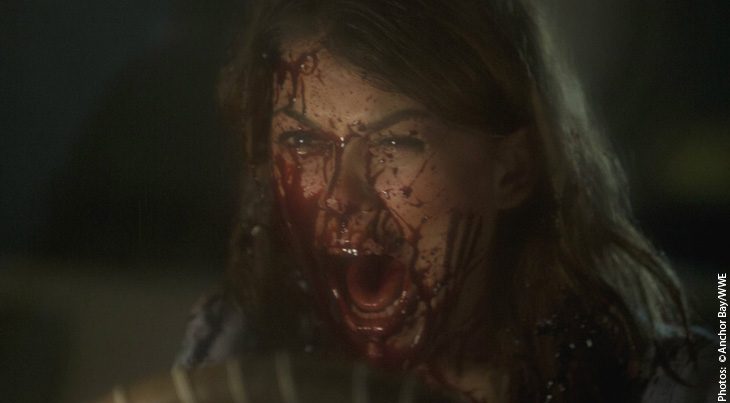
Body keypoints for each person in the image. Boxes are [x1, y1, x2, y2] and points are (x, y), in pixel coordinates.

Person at [176, 1, 714, 402]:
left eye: (396, 143)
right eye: (302, 140)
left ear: (514, 170)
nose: (340, 196)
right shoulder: (239, 348)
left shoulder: (680, 382)